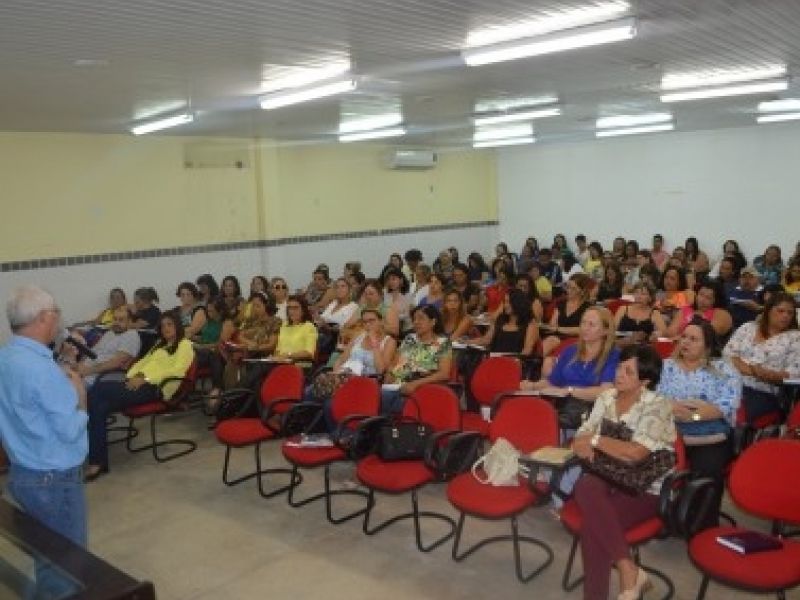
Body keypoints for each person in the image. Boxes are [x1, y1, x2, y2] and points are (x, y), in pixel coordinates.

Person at [572, 344, 675, 600]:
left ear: (645, 380)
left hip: (644, 488)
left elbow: (636, 453)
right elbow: (580, 438)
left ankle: (602, 590)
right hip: (607, 477)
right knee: (585, 485)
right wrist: (593, 441)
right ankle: (628, 568)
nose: (619, 374)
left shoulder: (658, 405)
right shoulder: (606, 397)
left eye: (629, 372)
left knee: (592, 526)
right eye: (619, 367)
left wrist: (596, 441)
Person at [0, 286, 89, 552]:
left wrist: (65, 363)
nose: (58, 317)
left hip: (24, 470)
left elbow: (34, 401)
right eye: (55, 312)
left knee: (46, 556)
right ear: (42, 318)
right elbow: (69, 430)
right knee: (67, 562)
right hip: (54, 481)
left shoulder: (7, 357)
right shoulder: (41, 370)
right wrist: (81, 400)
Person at [85, 310, 194, 479]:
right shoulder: (160, 344)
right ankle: (98, 461)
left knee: (98, 391)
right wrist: (132, 376)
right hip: (138, 382)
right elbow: (141, 362)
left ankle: (94, 458)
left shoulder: (185, 345)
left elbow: (177, 371)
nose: (166, 328)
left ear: (178, 326)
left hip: (156, 388)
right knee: (99, 405)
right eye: (163, 326)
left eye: (170, 324)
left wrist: (145, 378)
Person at [657, 318, 742, 525]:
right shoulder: (666, 366)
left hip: (709, 434)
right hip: (668, 430)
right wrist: (671, 407)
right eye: (684, 337)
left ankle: (701, 524)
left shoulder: (723, 369)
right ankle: (662, 517)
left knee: (707, 469)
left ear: (708, 345)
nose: (685, 342)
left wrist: (694, 416)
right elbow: (651, 396)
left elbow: (727, 404)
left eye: (693, 339)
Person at [521, 306, 620, 423]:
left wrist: (570, 391)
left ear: (605, 330)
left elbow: (606, 391)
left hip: (591, 410)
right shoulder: (570, 350)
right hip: (563, 405)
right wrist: (532, 386)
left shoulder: (612, 355)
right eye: (583, 323)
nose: (585, 328)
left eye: (591, 324)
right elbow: (552, 383)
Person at [724, 292, 800, 423]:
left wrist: (768, 375)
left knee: (733, 409)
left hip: (762, 392)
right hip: (728, 381)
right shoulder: (748, 327)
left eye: (790, 313)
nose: (785, 316)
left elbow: (791, 375)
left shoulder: (795, 338)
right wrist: (755, 371)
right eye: (780, 311)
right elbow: (728, 357)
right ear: (768, 311)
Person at [381, 305, 453, 415]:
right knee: (374, 395)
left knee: (383, 400)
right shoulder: (409, 339)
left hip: (420, 387)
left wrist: (415, 384)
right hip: (397, 385)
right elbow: (395, 362)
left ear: (433, 322)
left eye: (421, 318)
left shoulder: (443, 343)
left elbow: (444, 374)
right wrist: (389, 374)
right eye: (414, 319)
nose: (416, 322)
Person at [73, 306, 141, 386]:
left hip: (96, 376)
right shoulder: (110, 333)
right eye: (115, 319)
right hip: (84, 370)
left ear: (129, 321)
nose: (116, 323)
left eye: (121, 320)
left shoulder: (131, 336)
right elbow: (92, 351)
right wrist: (79, 364)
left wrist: (87, 371)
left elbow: (116, 363)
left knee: (65, 388)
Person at [468, 289, 538, 355]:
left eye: (508, 302)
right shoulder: (500, 319)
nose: (505, 305)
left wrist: (515, 360)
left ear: (517, 303)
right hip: (494, 358)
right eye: (505, 302)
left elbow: (527, 350)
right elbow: (486, 339)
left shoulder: (530, 323)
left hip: (515, 360)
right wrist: (467, 342)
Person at [541, 273, 592, 357]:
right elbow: (553, 325)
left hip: (577, 339)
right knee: (550, 340)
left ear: (582, 291)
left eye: (573, 288)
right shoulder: (561, 303)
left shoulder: (588, 307)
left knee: (552, 341)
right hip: (557, 336)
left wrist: (558, 329)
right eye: (567, 287)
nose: (568, 290)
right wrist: (545, 326)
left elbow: (583, 329)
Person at [664, 279, 733, 339]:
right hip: (678, 344)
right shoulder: (685, 309)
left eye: (708, 298)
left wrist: (680, 338)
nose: (702, 300)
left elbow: (707, 334)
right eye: (701, 294)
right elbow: (670, 333)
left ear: (716, 301)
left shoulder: (721, 314)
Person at [274, 295, 318, 361]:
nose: (291, 311)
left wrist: (289, 355)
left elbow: (309, 353)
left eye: (295, 308)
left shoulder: (309, 327)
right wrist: (275, 358)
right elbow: (278, 350)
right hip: (281, 362)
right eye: (289, 308)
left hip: (300, 363)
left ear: (303, 310)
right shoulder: (284, 325)